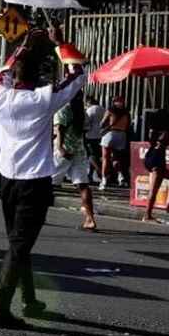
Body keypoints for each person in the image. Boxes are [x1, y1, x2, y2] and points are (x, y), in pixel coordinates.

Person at [0, 28, 85, 328]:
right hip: (34, 181)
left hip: (8, 179)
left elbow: (2, 71)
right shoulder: (44, 98)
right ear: (38, 76)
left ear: (14, 74)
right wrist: (60, 43)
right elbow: (77, 75)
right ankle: (0, 307)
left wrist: (23, 45)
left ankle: (28, 299)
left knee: (18, 245)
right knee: (19, 246)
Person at [54, 90, 98, 231]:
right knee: (83, 185)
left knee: (46, 183)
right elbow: (84, 132)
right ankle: (90, 218)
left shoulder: (64, 109)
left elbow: (59, 129)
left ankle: (34, 214)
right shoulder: (82, 112)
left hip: (64, 150)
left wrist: (60, 147)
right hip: (79, 151)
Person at [142, 102, 169, 224]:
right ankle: (147, 214)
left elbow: (152, 140)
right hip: (158, 159)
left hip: (149, 157)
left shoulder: (153, 130)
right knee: (154, 189)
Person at [99, 96, 130, 190]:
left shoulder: (111, 110)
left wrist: (105, 125)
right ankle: (121, 178)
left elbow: (102, 123)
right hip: (122, 136)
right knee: (117, 158)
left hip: (110, 134)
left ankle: (104, 181)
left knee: (106, 158)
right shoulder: (126, 113)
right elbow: (128, 126)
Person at [84, 95, 104, 183]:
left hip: (90, 136)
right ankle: (90, 175)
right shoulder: (103, 109)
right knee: (96, 155)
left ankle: (100, 172)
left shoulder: (90, 110)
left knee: (90, 155)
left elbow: (86, 123)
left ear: (88, 102)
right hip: (101, 136)